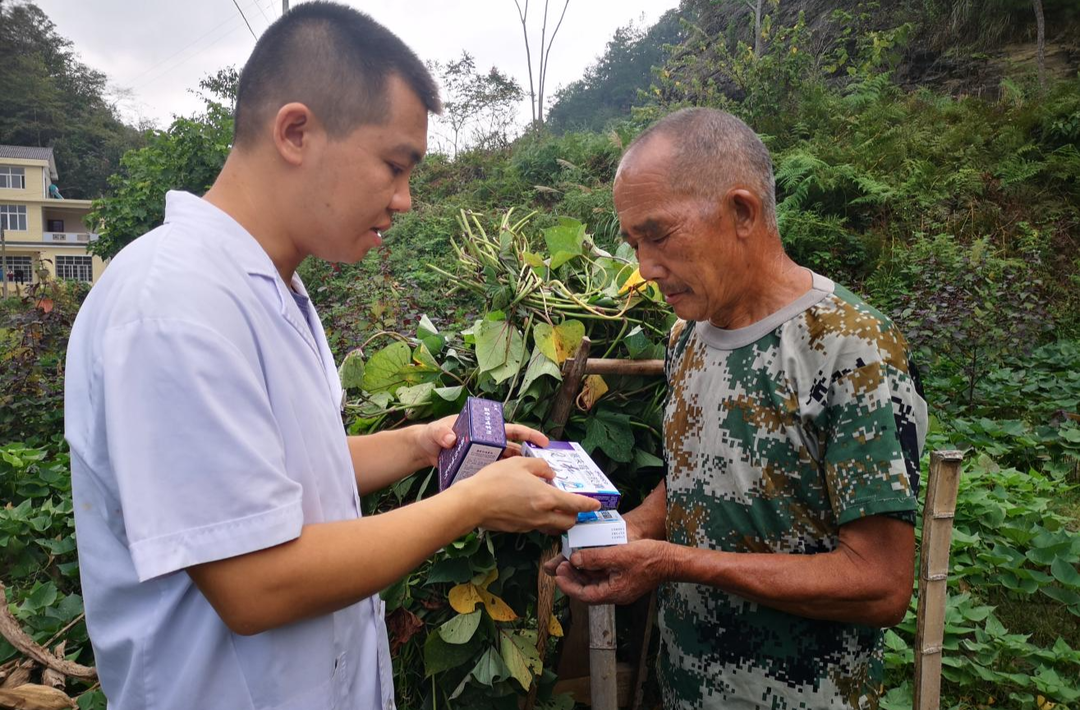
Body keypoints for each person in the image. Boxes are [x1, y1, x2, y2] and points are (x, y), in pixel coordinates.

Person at [63, 5, 598, 710]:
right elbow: (256, 583)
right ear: (296, 131)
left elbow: (272, 476)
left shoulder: (271, 289)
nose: (404, 200)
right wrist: (470, 504)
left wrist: (418, 445)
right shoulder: (174, 308)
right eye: (394, 166)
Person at [548, 108, 927, 710]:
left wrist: (672, 563)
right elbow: (697, 480)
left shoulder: (850, 348)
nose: (645, 268)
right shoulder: (686, 339)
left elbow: (879, 583)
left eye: (659, 234)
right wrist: (622, 535)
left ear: (742, 212)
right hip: (685, 690)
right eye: (634, 243)